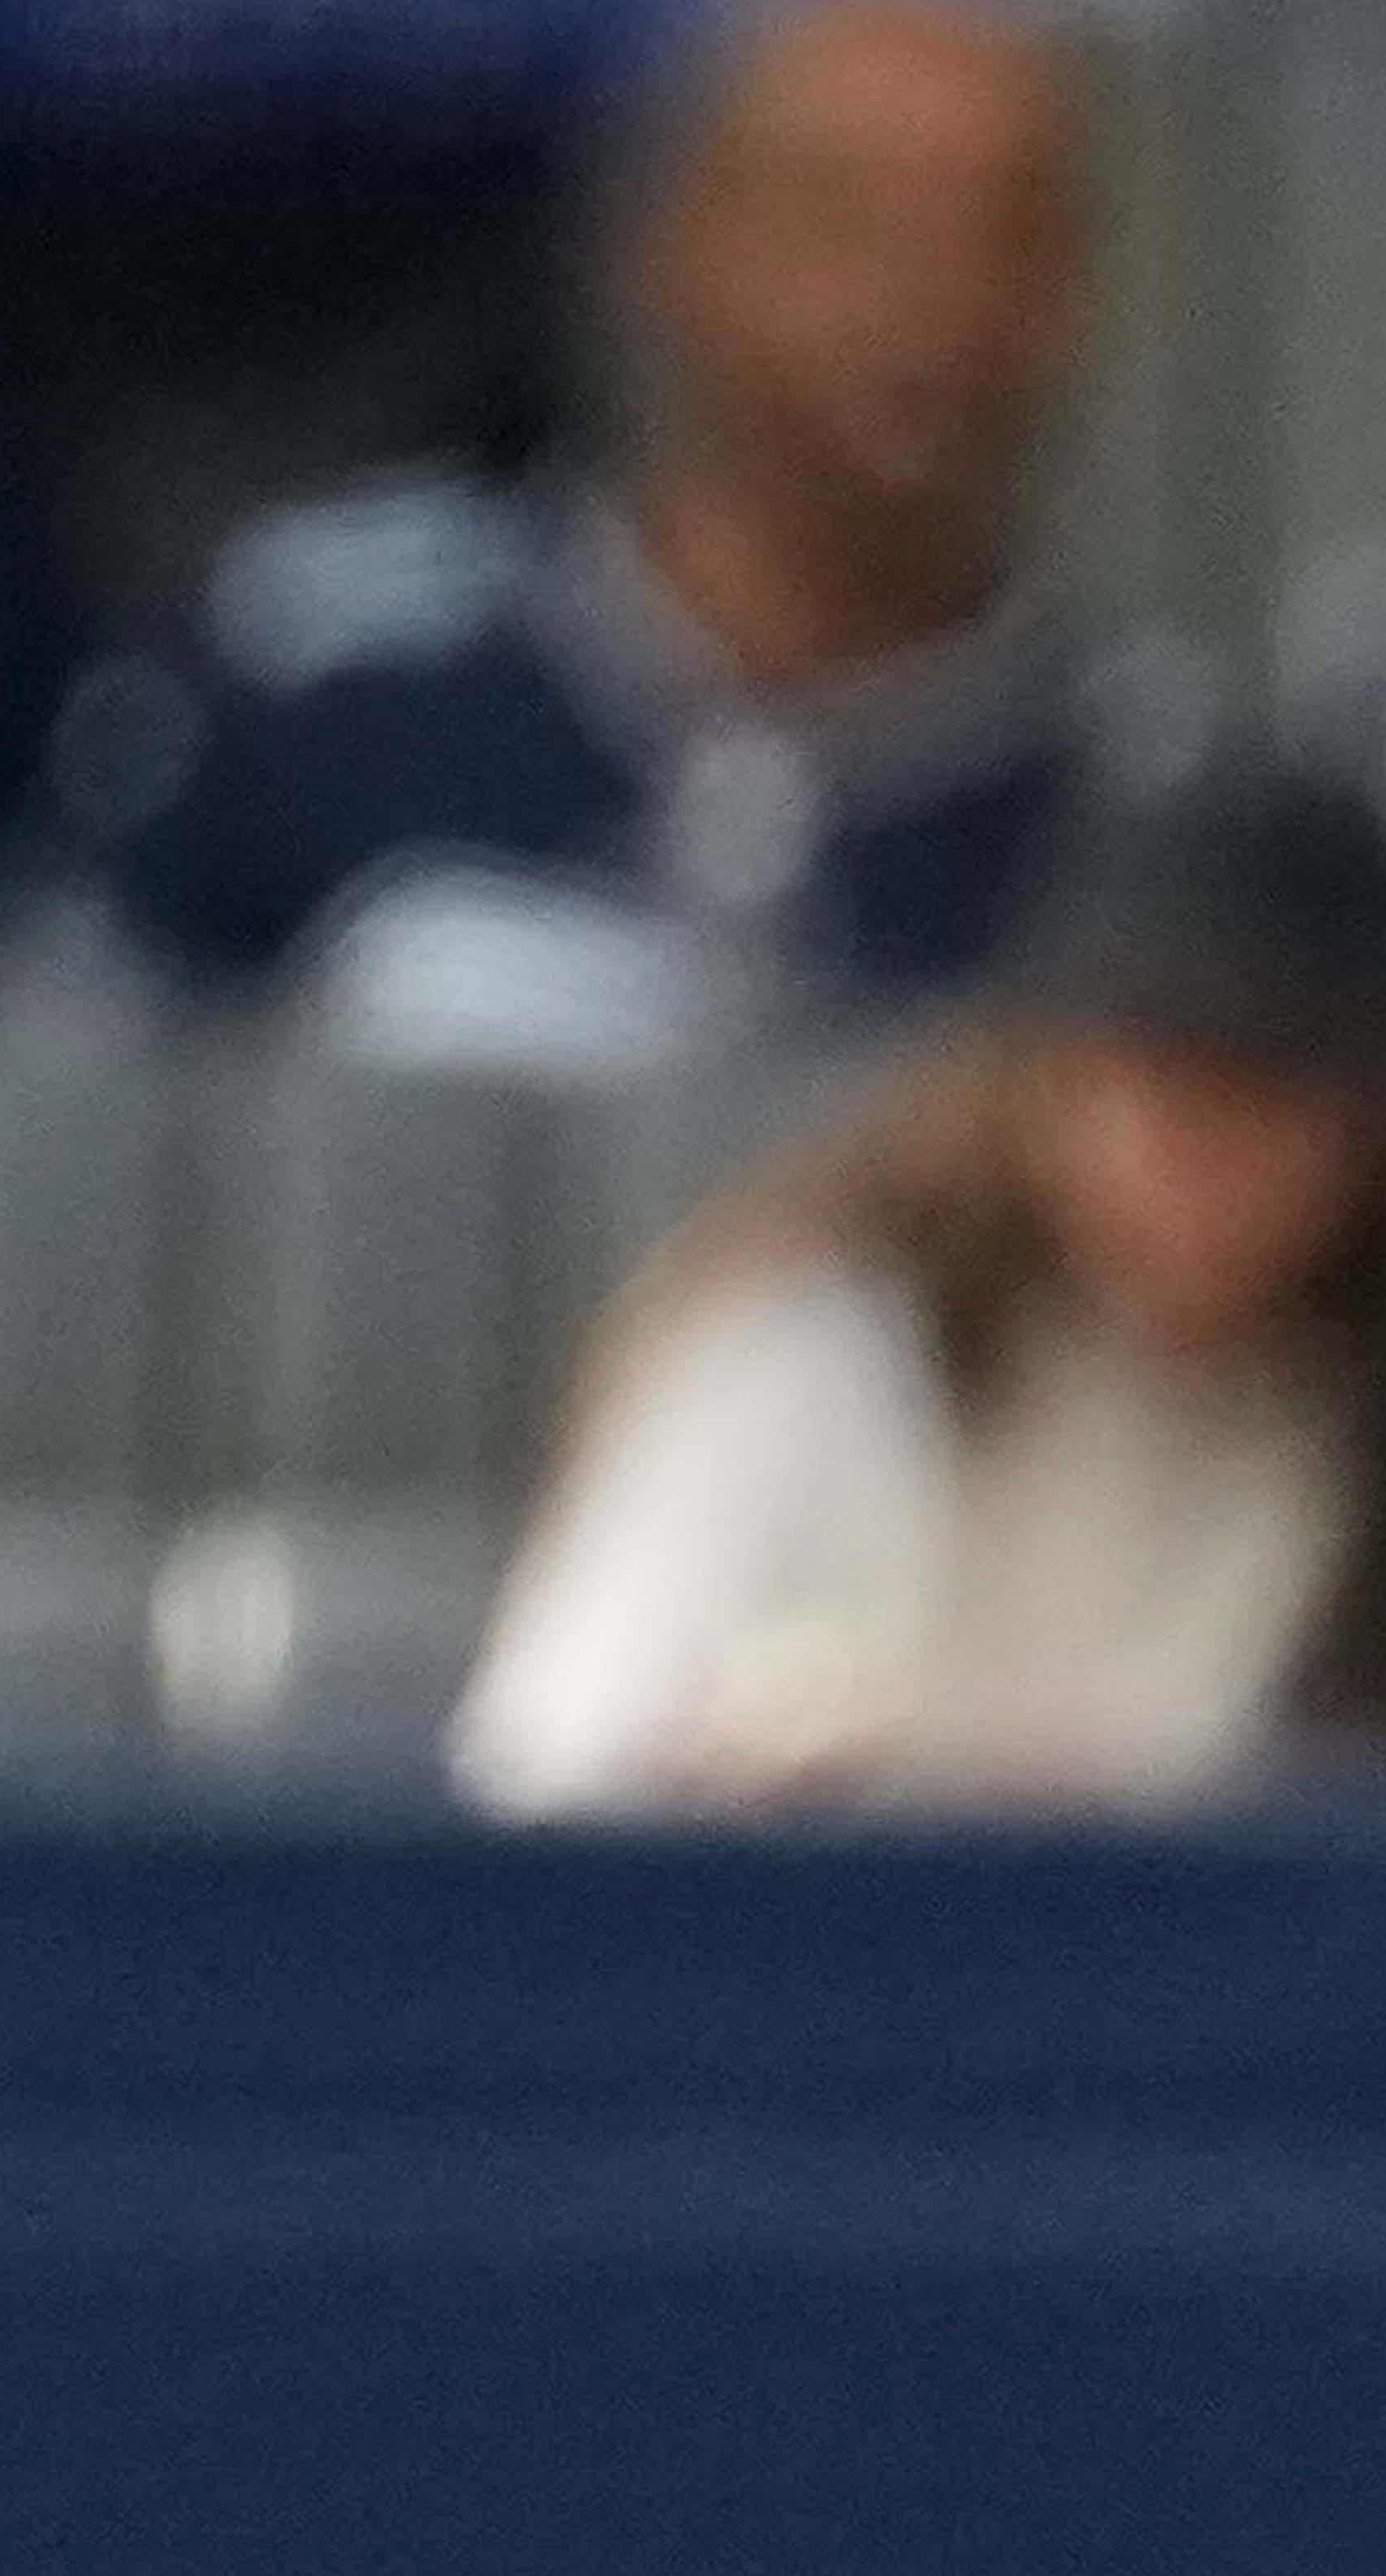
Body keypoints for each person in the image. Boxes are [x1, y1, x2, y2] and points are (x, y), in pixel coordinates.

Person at [52, 0, 1116, 1067]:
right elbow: (43, 1121)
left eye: (1006, 232)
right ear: (671, 251)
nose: (928, 298)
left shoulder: (1150, 797)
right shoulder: (308, 681)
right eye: (838, 221)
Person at [451, 753, 1386, 1817]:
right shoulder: (804, 1353)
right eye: (1156, 1086)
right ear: (1045, 1075)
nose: (1197, 1158)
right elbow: (547, 1774)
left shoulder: (1332, 1420)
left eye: (1270, 1103)